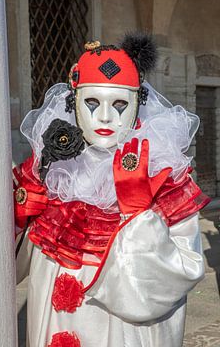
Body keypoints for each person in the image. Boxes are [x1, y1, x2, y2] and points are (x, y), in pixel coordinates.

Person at [14, 33, 210, 347]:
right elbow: (8, 267)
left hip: (120, 329)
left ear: (137, 104)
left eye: (120, 104)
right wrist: (18, 219)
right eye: (92, 103)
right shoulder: (53, 169)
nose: (106, 116)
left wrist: (138, 215)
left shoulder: (162, 176)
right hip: (50, 314)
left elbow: (182, 272)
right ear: (73, 102)